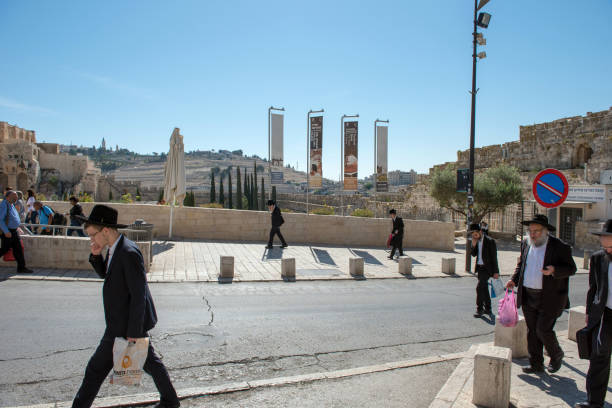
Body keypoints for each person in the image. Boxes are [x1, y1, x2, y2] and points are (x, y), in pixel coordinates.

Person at [71, 205, 180, 408]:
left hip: (123, 326)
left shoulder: (128, 252)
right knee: (151, 363)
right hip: (122, 323)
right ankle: (171, 401)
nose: (91, 240)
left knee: (95, 370)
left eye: (93, 235)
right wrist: (96, 256)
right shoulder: (114, 249)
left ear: (106, 230)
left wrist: (133, 332)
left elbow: (139, 295)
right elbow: (108, 274)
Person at [506, 214, 576, 374]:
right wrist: (513, 280)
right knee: (532, 331)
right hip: (528, 295)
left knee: (543, 330)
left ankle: (556, 354)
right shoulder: (526, 244)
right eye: (530, 231)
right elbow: (521, 265)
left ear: (545, 231)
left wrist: (554, 270)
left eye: (536, 231)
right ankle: (536, 364)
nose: (533, 234)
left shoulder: (559, 246)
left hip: (551, 297)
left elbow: (572, 269)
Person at [575, 219, 612, 408]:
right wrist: (589, 312)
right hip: (605, 315)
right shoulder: (598, 258)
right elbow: (594, 288)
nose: (604, 241)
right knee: (599, 357)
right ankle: (594, 402)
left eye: (608, 238)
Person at [469, 223, 500, 317]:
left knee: (479, 287)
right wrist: (473, 245)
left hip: (487, 268)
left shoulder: (490, 241)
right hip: (480, 268)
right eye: (472, 234)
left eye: (475, 233)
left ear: (480, 231)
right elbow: (473, 254)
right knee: (484, 288)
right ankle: (488, 308)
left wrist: (496, 271)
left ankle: (479, 309)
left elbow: (494, 257)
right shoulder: (476, 241)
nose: (474, 235)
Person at [0, 190, 33, 274]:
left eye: (16, 197)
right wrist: (6, 231)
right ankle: (22, 267)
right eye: (13, 197)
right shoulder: (4, 205)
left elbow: (12, 218)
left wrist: (17, 227)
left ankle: (21, 268)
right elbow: (0, 220)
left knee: (18, 249)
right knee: (4, 249)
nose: (16, 198)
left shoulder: (11, 205)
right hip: (8, 232)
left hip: (14, 231)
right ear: (7, 197)